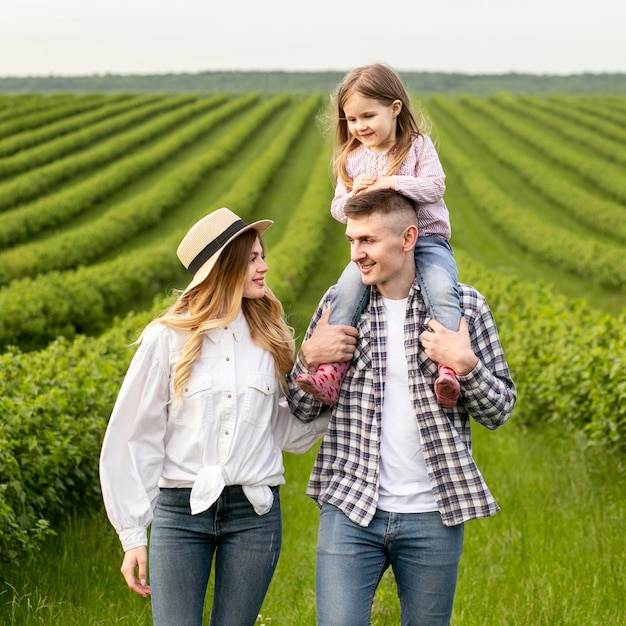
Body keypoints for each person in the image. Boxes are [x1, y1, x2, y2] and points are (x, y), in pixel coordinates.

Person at [287, 190, 516, 625]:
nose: (357, 254)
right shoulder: (341, 307)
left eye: (369, 241)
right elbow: (301, 408)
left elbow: (499, 410)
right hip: (350, 506)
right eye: (352, 241)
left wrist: (465, 366)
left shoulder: (465, 308)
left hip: (433, 513)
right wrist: (307, 359)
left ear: (409, 237)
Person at [99, 208, 330, 626]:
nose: (265, 266)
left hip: (254, 514)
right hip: (181, 511)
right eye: (253, 258)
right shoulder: (166, 339)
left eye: (263, 255)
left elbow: (283, 431)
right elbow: (134, 435)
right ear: (225, 266)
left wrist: (330, 398)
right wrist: (132, 534)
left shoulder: (269, 337)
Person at [296, 63, 461, 407]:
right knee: (345, 293)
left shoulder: (416, 146)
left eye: (368, 116)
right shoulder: (352, 159)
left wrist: (391, 182)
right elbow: (338, 209)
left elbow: (434, 187)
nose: (359, 127)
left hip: (427, 240)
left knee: (442, 290)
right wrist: (356, 194)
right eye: (351, 120)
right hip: (381, 249)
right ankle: (331, 372)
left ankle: (449, 369)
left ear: (395, 108)